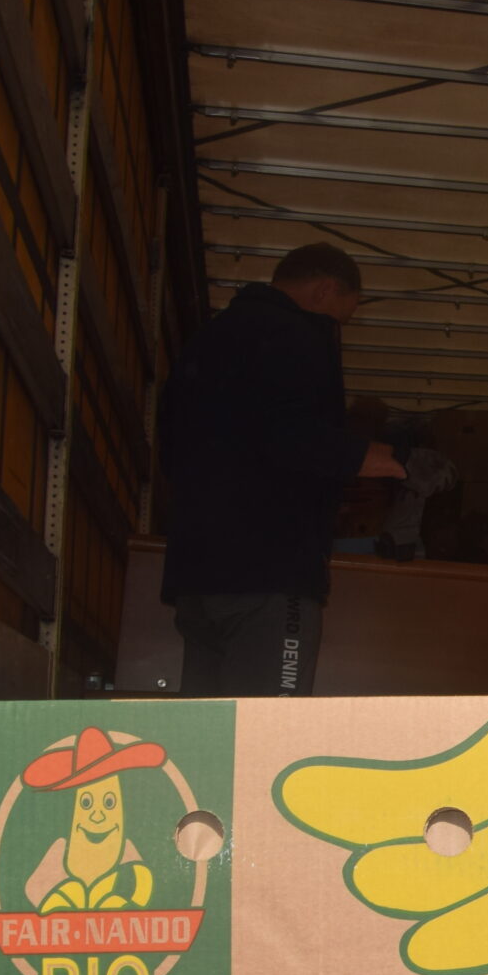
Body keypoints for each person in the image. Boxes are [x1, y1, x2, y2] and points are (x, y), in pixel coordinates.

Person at [159, 242, 402, 695]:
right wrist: (362, 457)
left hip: (196, 577)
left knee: (210, 727)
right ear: (324, 290)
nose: (335, 332)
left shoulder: (208, 339)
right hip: (268, 573)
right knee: (269, 726)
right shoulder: (296, 337)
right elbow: (289, 432)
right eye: (338, 320)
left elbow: (172, 445)